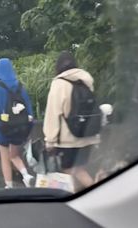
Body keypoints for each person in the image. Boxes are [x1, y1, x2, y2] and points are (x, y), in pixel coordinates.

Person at [43, 51, 100, 189]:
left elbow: (53, 112)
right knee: (78, 169)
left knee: (73, 170)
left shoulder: (59, 84)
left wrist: (50, 140)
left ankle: (99, 193)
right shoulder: (86, 81)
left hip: (67, 140)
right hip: (87, 135)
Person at [0, 58, 34, 188]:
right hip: (20, 127)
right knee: (15, 155)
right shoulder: (20, 86)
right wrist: (29, 129)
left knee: (5, 157)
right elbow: (29, 110)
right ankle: (26, 175)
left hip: (3, 128)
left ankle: (9, 185)